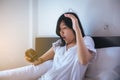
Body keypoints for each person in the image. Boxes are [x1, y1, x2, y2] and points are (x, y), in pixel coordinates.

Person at [26, 12, 96, 80]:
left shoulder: (86, 40)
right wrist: (32, 58)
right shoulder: (59, 44)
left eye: (64, 28)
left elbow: (83, 61)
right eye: (60, 29)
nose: (61, 32)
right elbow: (40, 60)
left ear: (73, 27)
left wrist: (77, 29)